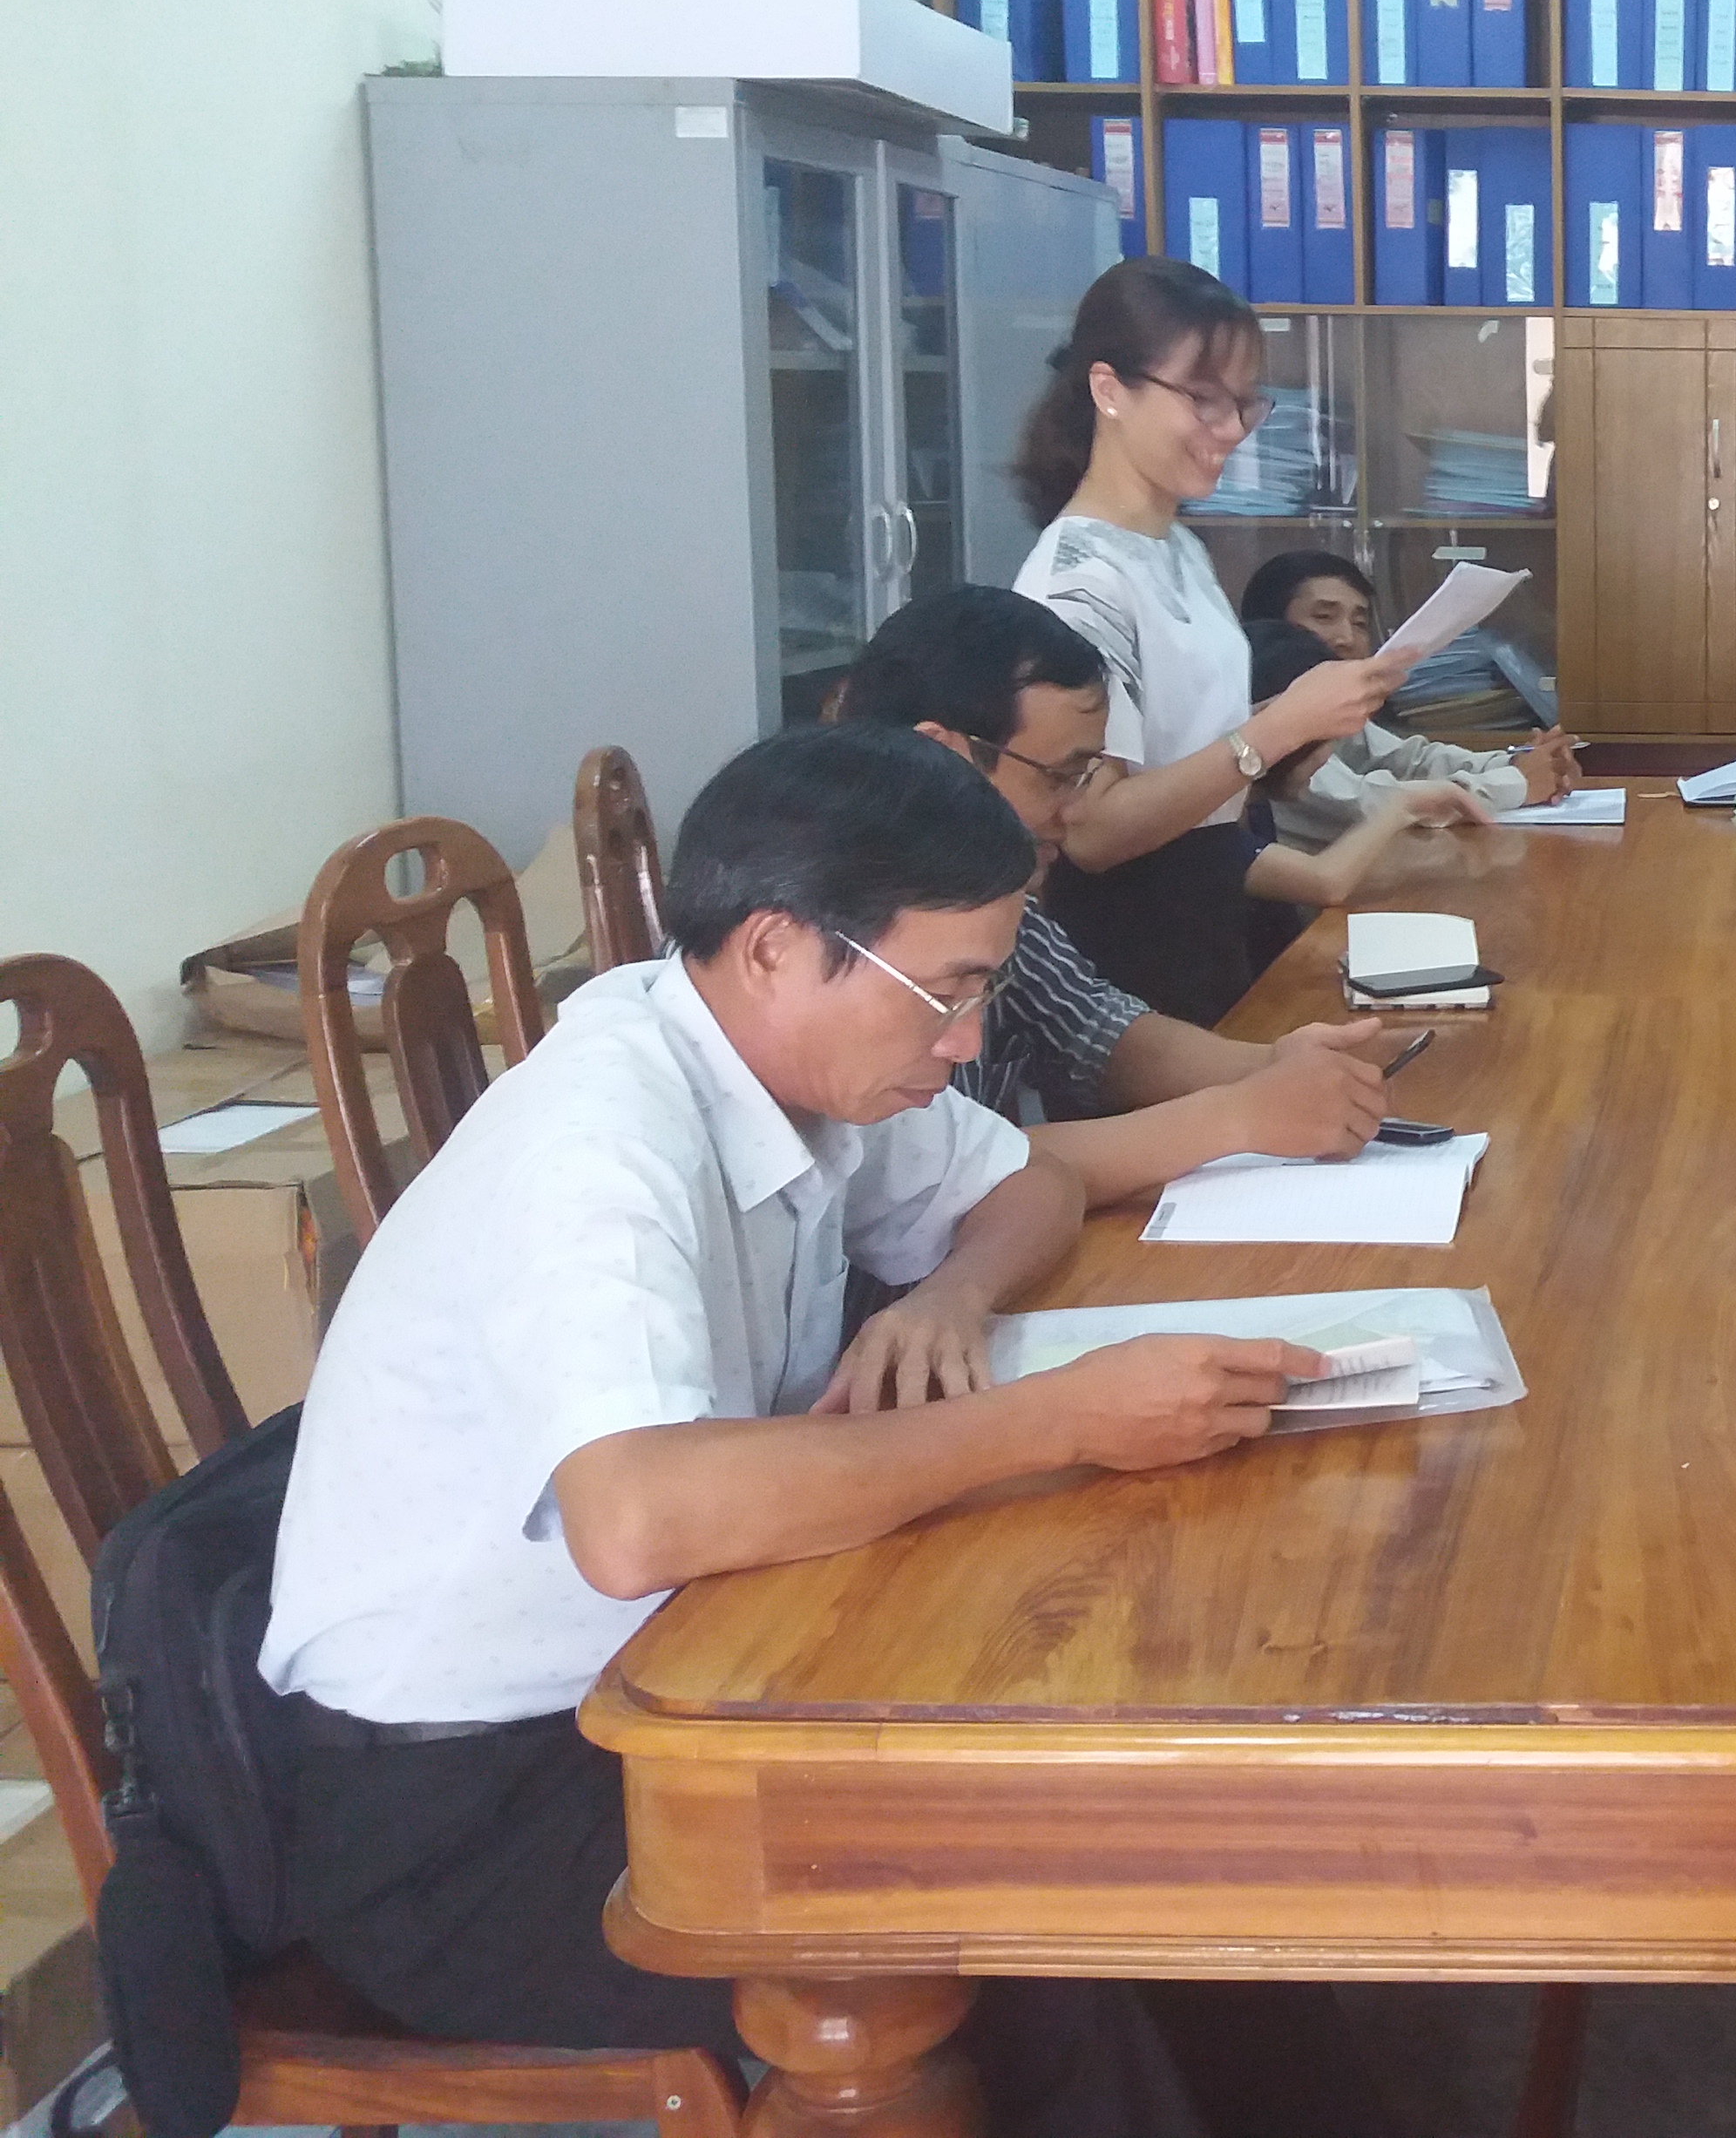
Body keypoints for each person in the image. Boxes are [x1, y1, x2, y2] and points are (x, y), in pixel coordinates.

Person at [259, 724, 1358, 2135]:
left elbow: (1020, 1180)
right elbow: (635, 1518)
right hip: (470, 1810)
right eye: (945, 994)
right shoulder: (596, 1144)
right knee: (1025, 1944)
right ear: (776, 948)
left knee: (1143, 1834)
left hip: (684, 1678)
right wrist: (1056, 1417)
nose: (967, 1042)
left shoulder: (792, 1062)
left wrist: (951, 1296)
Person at [835, 584, 1391, 1203]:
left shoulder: (995, 899)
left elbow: (1096, 1031)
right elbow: (938, 1169)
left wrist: (1272, 1065)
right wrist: (1237, 1117)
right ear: (943, 754)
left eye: (1087, 776)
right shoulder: (837, 925)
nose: (1076, 810)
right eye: (1060, 776)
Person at [1010, 258, 1399, 1026]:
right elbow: (1092, 830)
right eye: (1203, 400)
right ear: (1109, 389)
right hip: (1129, 947)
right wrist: (1277, 726)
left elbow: (1184, 745)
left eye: (1245, 403)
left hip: (1215, 913)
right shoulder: (1078, 580)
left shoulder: (1176, 547)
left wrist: (1307, 720)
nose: (1232, 430)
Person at [1237, 546, 1581, 852]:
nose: (1347, 639)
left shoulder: (1333, 708)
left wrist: (1519, 763)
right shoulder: (1265, 712)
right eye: (1324, 617)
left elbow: (1409, 759)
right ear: (1269, 626)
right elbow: (1364, 808)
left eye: (1360, 623)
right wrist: (1518, 783)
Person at [1232, 615, 1494, 915]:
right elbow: (1324, 881)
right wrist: (1403, 805)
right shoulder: (1210, 829)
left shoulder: (1255, 809)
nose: (1327, 757)